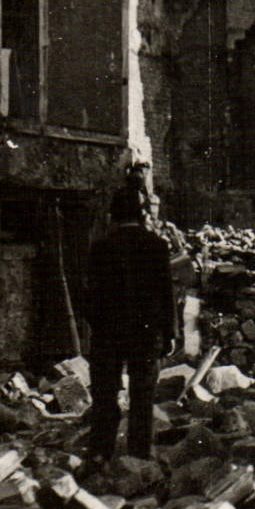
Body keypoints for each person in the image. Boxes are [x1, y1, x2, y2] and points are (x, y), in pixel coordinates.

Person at [82, 182, 177, 461]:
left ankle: (101, 453)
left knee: (105, 397)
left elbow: (89, 296)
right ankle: (138, 457)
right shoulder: (157, 246)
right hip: (146, 334)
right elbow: (166, 295)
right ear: (142, 215)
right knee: (142, 398)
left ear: (113, 216)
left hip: (108, 335)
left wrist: (97, 326)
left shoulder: (100, 248)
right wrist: (169, 334)